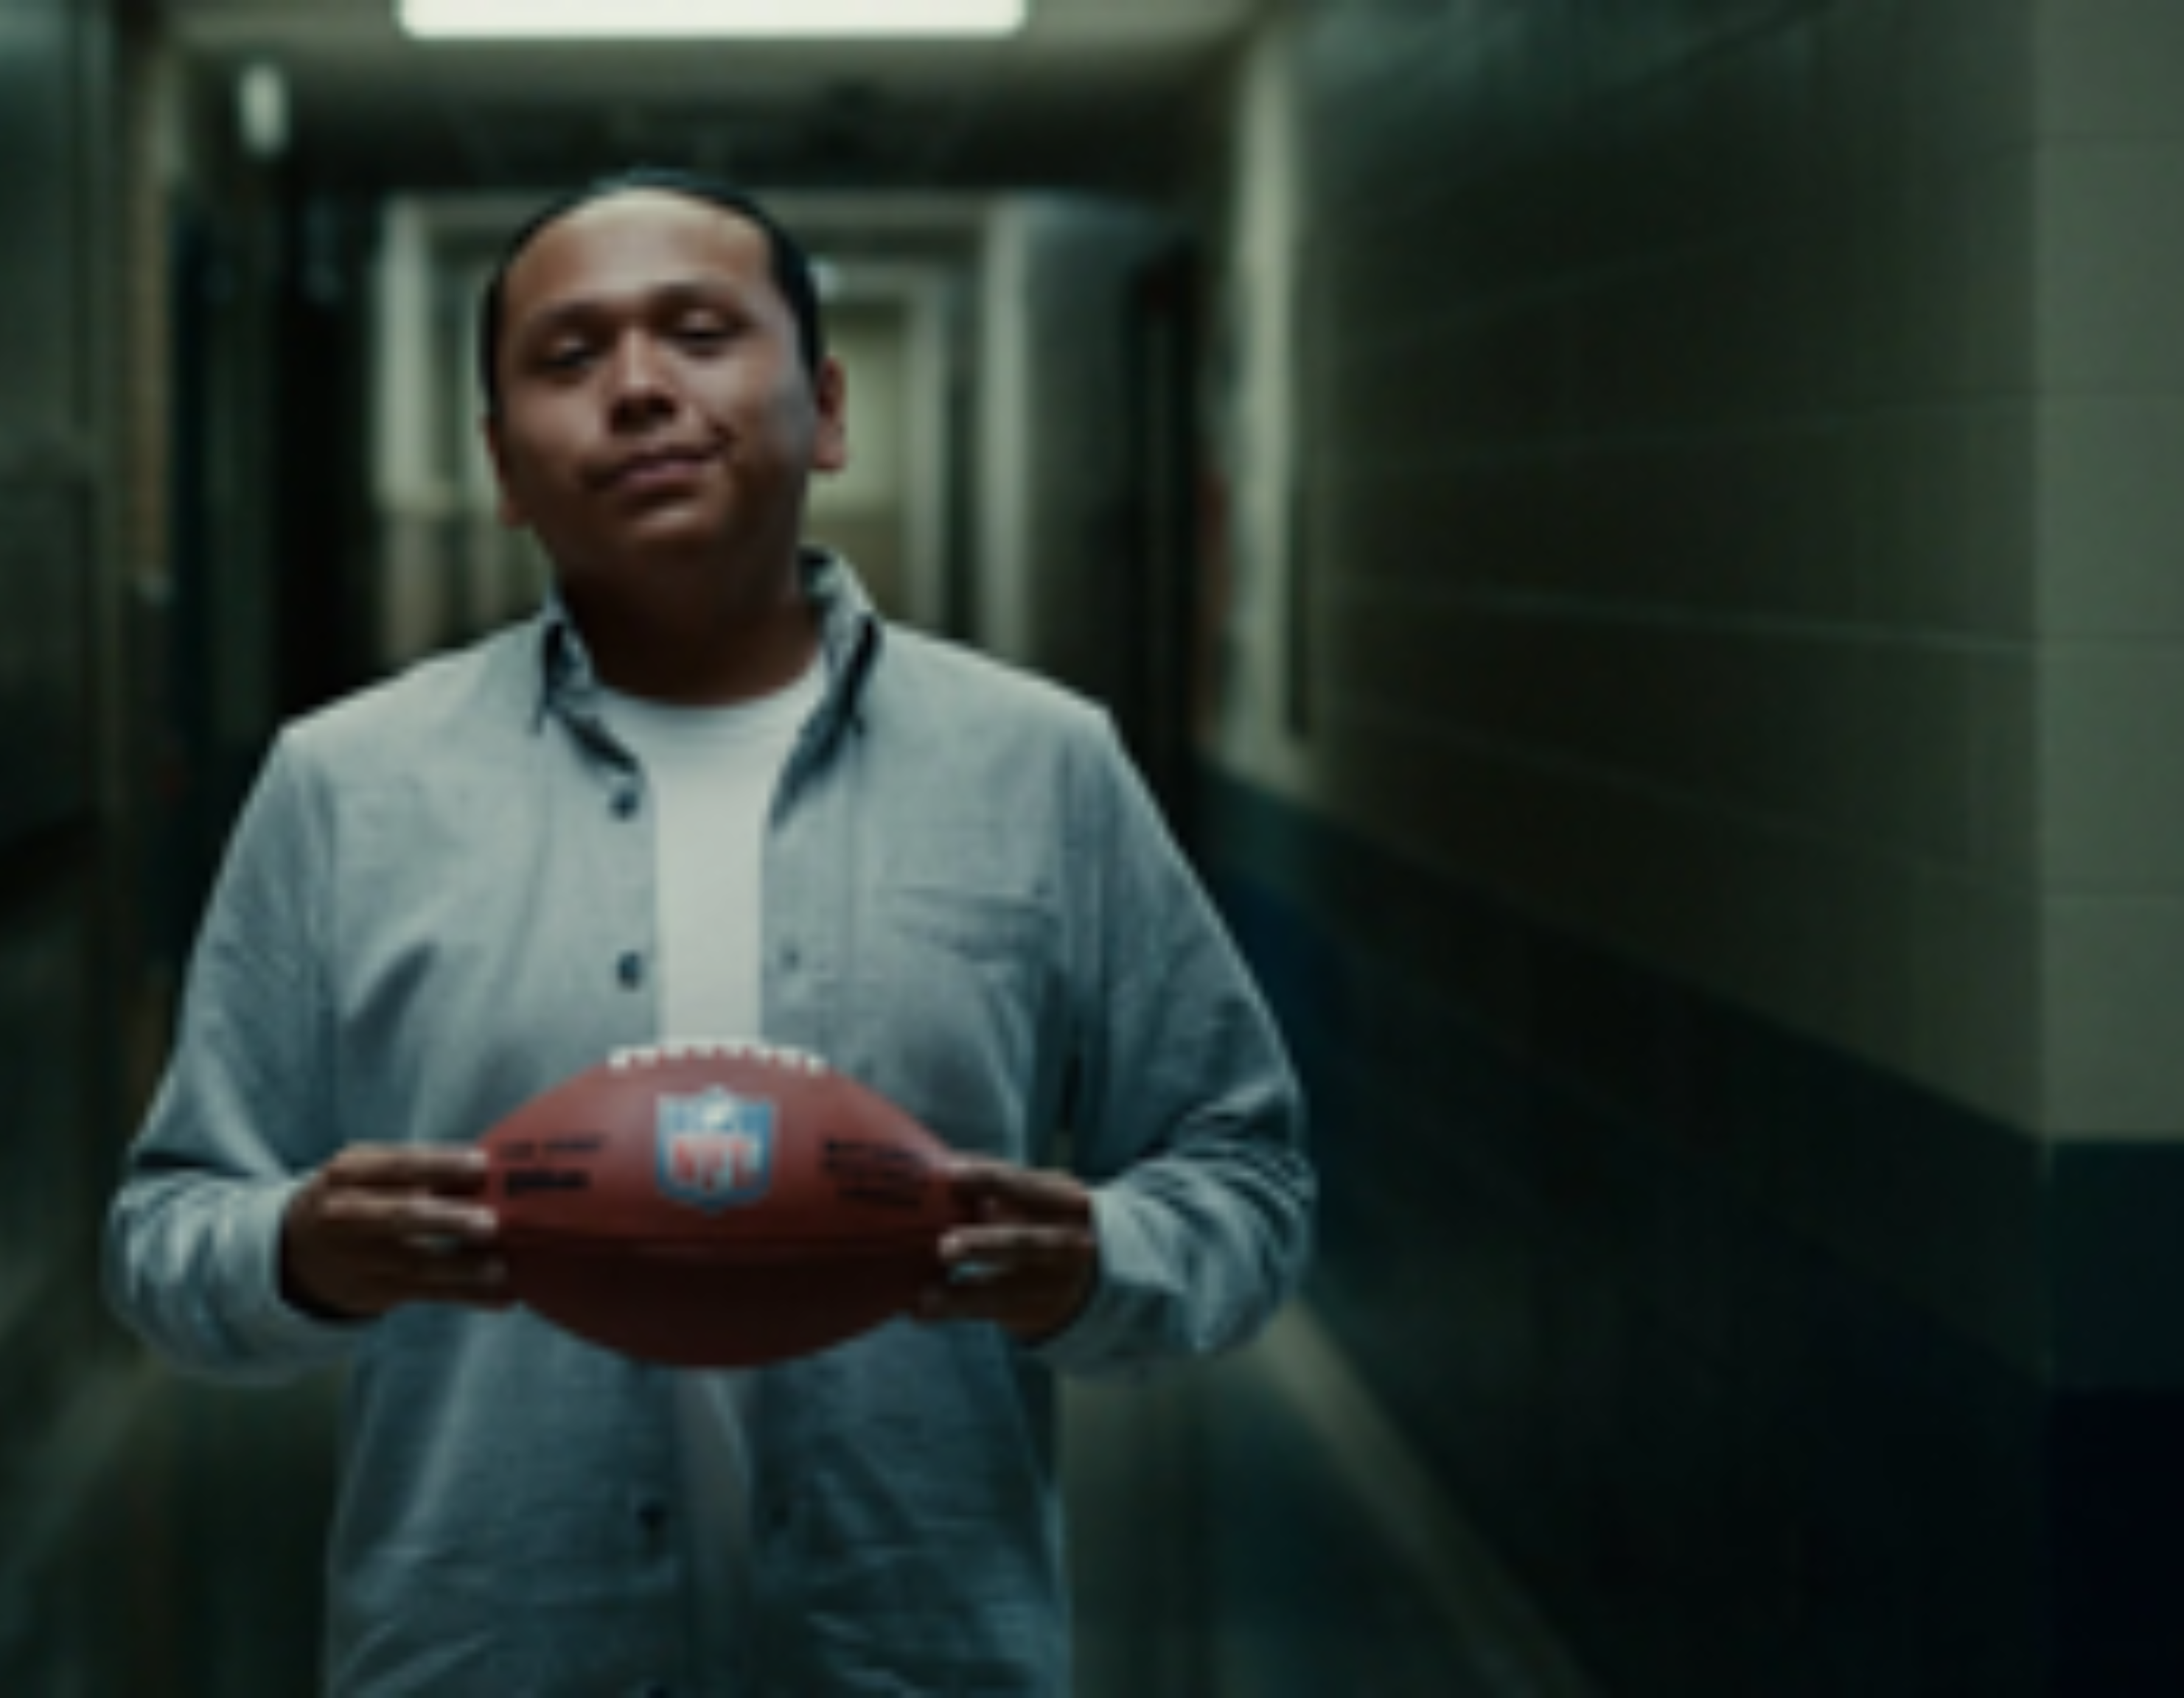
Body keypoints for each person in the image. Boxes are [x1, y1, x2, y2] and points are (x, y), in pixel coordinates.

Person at [104, 166, 1313, 1697]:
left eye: (697, 332)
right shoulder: (347, 785)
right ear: (498, 463)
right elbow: (162, 1238)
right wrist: (298, 1253)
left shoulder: (1039, 766)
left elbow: (1245, 1178)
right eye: (566, 356)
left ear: (825, 406)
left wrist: (1102, 1262)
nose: (636, 391)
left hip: (919, 1659)